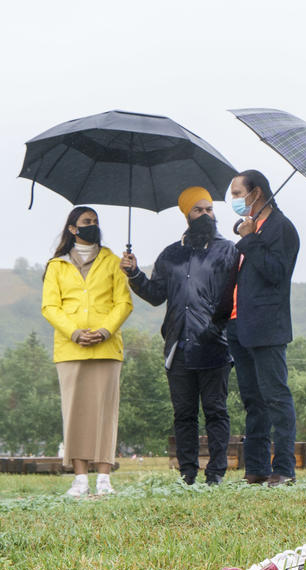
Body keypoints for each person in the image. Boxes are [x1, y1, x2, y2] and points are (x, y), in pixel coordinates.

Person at [121, 187, 239, 485]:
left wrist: (217, 328)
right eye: (198, 210)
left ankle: (216, 474)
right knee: (183, 414)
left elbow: (235, 297)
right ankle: (187, 473)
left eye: (209, 209)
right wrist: (135, 275)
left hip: (215, 346)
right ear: (187, 214)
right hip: (178, 346)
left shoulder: (229, 251)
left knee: (216, 411)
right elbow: (155, 295)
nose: (206, 215)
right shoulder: (170, 255)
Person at [41, 207, 133, 497]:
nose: (92, 226)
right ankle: (80, 477)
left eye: (95, 222)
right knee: (75, 413)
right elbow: (50, 307)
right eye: (86, 222)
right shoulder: (56, 266)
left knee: (106, 412)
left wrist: (105, 331)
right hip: (70, 349)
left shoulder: (115, 262)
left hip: (107, 349)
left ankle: (104, 477)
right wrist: (75, 332)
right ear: (72, 228)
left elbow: (124, 303)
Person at [227, 169, 301, 486]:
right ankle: (256, 467)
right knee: (253, 400)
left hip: (268, 326)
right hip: (240, 325)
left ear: (256, 193)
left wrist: (249, 240)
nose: (233, 200)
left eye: (236, 193)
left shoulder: (281, 229)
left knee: (275, 397)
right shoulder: (253, 228)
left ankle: (283, 467)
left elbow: (276, 273)